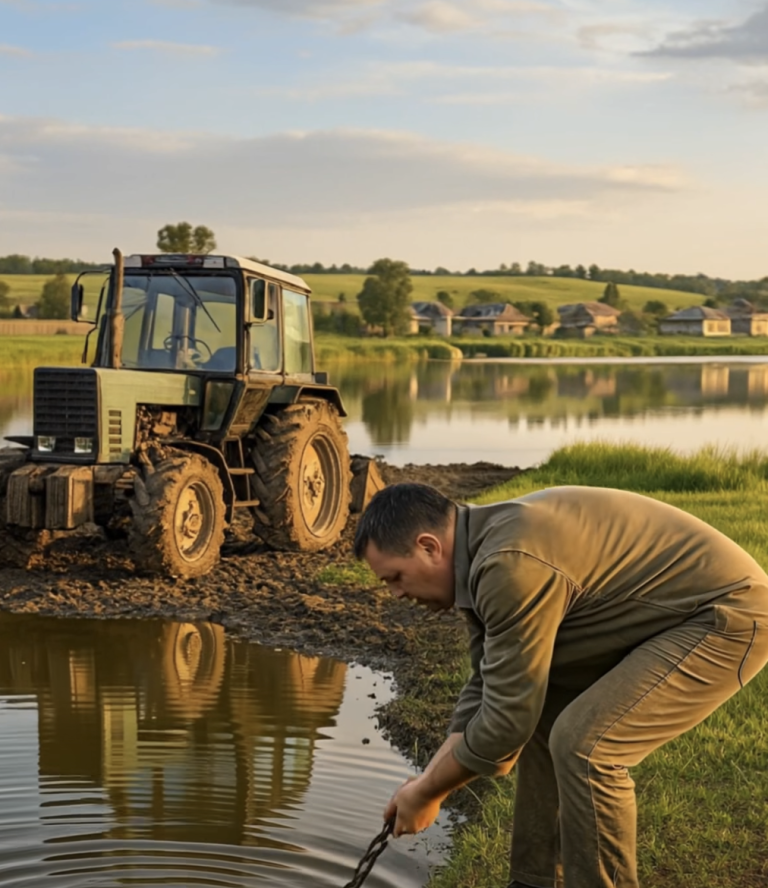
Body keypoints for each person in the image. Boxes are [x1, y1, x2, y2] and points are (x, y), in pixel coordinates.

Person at [353, 482, 768, 888]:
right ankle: (535, 881)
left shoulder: (507, 563)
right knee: (543, 709)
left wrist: (427, 793)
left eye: (395, 577)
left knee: (587, 745)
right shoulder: (480, 553)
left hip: (727, 614)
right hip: (667, 616)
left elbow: (503, 726)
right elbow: (487, 685)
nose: (395, 594)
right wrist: (428, 782)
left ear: (429, 547)